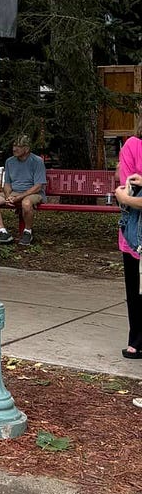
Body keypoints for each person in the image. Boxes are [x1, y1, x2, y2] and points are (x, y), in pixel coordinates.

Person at [114, 127, 142, 361]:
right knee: (134, 289)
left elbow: (126, 194)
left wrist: (123, 197)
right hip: (135, 230)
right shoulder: (133, 145)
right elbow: (128, 183)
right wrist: (127, 195)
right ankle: (137, 340)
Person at [0, 136, 46, 246]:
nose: (14, 149)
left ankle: (28, 232)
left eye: (18, 146)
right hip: (13, 193)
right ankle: (3, 231)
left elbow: (38, 186)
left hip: (33, 193)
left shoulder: (37, 161)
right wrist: (8, 195)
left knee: (26, 203)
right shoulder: (9, 161)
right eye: (14, 146)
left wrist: (19, 197)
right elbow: (7, 183)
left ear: (26, 149)